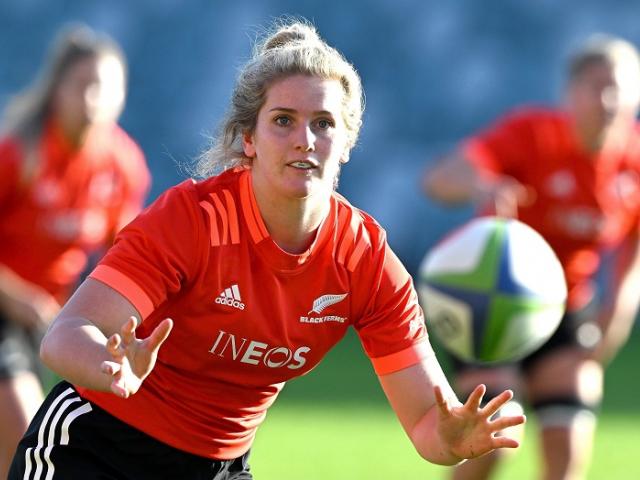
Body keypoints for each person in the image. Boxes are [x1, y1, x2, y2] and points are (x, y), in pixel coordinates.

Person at [8, 18, 525, 480]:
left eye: (323, 124)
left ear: (346, 143)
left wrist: (453, 441)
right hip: (98, 447)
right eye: (283, 120)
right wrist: (106, 365)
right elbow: (66, 337)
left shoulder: (364, 261)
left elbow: (426, 424)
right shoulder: (194, 220)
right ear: (248, 139)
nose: (304, 139)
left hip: (219, 466)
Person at [423, 33, 640, 480]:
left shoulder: (634, 160)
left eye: (619, 88)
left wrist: (615, 315)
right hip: (490, 301)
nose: (609, 100)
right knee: (493, 443)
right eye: (596, 86)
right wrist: (480, 185)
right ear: (569, 94)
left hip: (564, 308)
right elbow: (440, 179)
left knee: (567, 444)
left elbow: (632, 251)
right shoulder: (532, 135)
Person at [0, 24, 150, 478]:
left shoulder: (121, 164)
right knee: (24, 431)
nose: (92, 100)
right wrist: (20, 298)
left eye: (104, 88)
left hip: (54, 319)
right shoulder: (19, 154)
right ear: (56, 88)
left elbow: (124, 257)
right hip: (8, 312)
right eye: (82, 85)